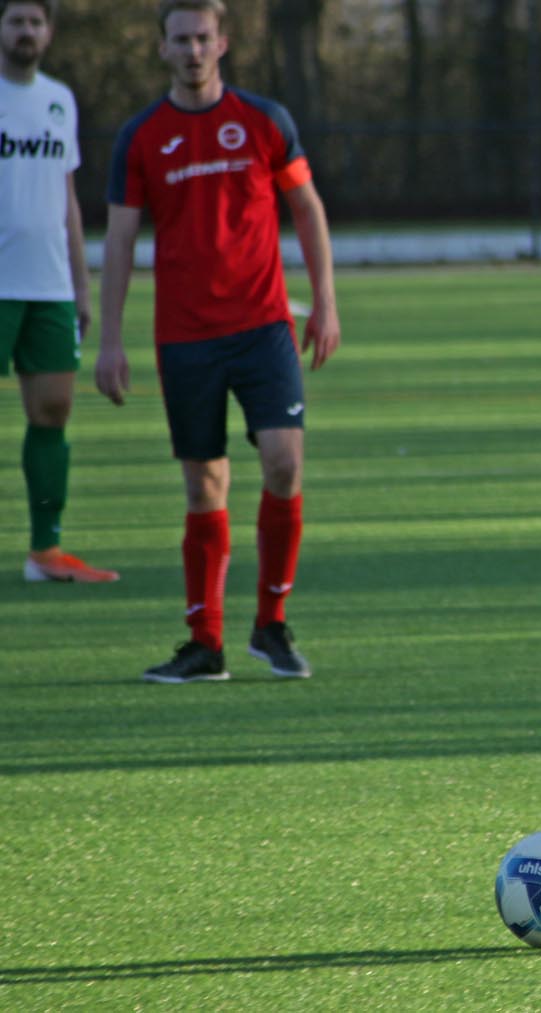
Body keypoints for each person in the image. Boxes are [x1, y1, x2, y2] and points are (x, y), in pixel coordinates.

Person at [96, 0, 341, 683]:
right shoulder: (141, 137)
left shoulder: (264, 121)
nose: (194, 49)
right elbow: (118, 240)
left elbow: (307, 207)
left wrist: (324, 301)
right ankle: (205, 643)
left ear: (223, 42)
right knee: (205, 485)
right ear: (163, 49)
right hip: (185, 338)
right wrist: (110, 339)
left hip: (264, 327)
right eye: (182, 39)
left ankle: (271, 624)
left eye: (204, 37)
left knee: (285, 463)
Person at [0, 0, 118, 583]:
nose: (26, 31)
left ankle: (45, 554)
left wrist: (81, 286)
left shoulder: (59, 99)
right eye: (16, 21)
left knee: (53, 410)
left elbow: (66, 198)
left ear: (48, 33)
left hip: (48, 285)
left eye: (36, 22)